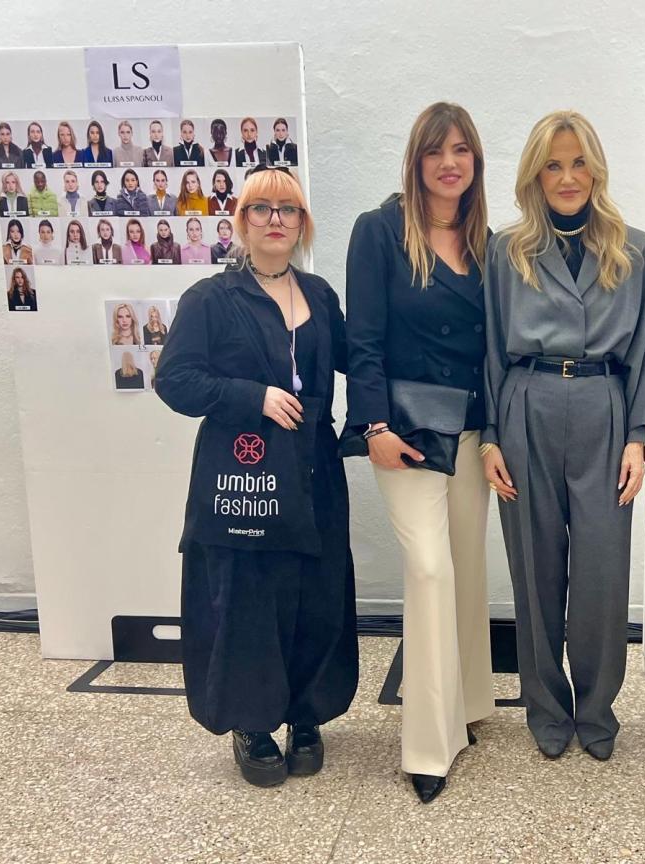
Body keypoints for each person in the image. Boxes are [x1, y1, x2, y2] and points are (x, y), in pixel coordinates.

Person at [155, 164, 358, 787]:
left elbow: (358, 358)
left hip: (314, 469)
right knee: (248, 596)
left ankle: (305, 714)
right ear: (241, 222)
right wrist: (253, 396)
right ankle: (252, 721)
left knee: (316, 592)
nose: (276, 220)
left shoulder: (319, 294)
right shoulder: (210, 299)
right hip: (243, 474)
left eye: (288, 209)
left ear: (302, 223)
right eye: (262, 209)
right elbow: (174, 380)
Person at [482, 110, 645, 764]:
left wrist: (637, 435)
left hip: (603, 407)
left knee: (601, 570)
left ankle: (597, 706)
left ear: (596, 169)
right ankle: (546, 706)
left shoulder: (633, 248)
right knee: (534, 568)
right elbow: (489, 347)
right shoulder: (507, 250)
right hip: (526, 403)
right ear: (535, 174)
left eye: (578, 162)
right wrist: (490, 437)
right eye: (553, 165)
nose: (566, 177)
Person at [345, 102, 494, 804]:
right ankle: (429, 747)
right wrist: (371, 424)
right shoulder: (379, 230)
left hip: (470, 431)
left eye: (461, 150)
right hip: (404, 433)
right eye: (436, 150)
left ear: (475, 161)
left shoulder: (486, 241)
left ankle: (467, 702)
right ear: (416, 159)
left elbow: (494, 350)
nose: (448, 163)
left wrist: (494, 435)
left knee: (466, 568)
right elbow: (363, 340)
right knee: (430, 570)